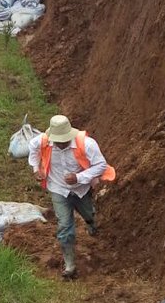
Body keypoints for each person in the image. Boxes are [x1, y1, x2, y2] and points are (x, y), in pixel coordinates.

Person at [29, 115, 115, 279]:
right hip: (58, 189)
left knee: (89, 214)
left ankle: (91, 223)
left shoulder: (87, 144)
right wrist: (35, 169)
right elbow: (33, 148)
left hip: (81, 189)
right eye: (58, 141)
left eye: (64, 140)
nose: (61, 144)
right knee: (65, 226)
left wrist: (79, 178)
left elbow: (101, 165)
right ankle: (70, 265)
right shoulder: (43, 141)